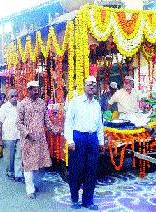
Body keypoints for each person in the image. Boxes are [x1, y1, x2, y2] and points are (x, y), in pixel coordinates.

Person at [64, 75, 104, 210]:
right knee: (77, 170)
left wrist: (101, 141)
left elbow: (100, 124)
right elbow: (68, 122)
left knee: (91, 171)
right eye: (89, 84)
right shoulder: (75, 102)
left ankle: (88, 200)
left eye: (94, 84)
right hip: (78, 139)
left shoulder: (97, 104)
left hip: (92, 139)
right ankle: (74, 199)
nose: (92, 87)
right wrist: (70, 140)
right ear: (84, 86)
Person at [17, 81, 61, 199]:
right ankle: (30, 190)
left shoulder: (42, 103)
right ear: (29, 90)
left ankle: (35, 185)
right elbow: (19, 123)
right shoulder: (22, 104)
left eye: (38, 89)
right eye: (34, 90)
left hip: (40, 139)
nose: (37, 92)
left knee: (39, 164)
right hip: (28, 140)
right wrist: (27, 134)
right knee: (28, 164)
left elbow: (46, 120)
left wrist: (54, 129)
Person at [0, 90, 23, 181]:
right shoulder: (4, 107)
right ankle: (10, 172)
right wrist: (0, 139)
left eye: (16, 96)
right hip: (8, 136)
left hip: (19, 135)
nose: (14, 98)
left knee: (19, 155)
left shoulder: (20, 105)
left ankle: (18, 174)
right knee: (9, 156)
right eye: (12, 96)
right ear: (8, 97)